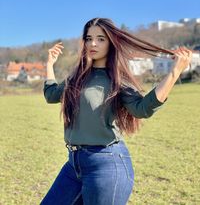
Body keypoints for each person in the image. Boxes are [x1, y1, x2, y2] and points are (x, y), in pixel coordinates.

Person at [40, 18, 192, 205]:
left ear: (111, 42)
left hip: (106, 164)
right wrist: (49, 64)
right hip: (73, 164)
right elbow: (51, 95)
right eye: (89, 38)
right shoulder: (76, 77)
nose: (93, 43)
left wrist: (174, 72)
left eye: (101, 39)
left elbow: (142, 109)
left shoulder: (117, 80)